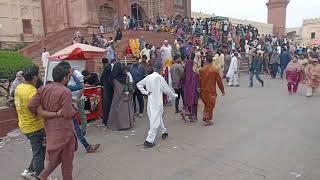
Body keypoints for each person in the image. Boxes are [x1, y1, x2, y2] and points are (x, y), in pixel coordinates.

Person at [28, 65, 77, 180]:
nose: (69, 78)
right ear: (65, 78)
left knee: (57, 158)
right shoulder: (66, 92)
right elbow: (66, 113)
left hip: (50, 129)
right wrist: (74, 108)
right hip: (65, 131)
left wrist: (42, 112)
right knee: (67, 162)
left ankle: (42, 176)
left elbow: (31, 105)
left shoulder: (43, 89)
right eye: (69, 76)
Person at [137, 63, 178, 148]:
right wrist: (174, 95)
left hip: (150, 101)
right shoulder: (159, 78)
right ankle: (149, 140)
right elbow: (166, 90)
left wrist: (145, 92)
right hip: (157, 102)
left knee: (157, 118)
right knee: (155, 121)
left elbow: (139, 84)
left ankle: (164, 131)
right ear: (160, 70)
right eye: (162, 70)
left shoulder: (149, 77)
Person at [15, 66, 45, 179]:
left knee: (39, 150)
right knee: (39, 154)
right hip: (35, 127)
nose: (40, 76)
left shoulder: (20, 87)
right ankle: (42, 176)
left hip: (25, 125)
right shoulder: (32, 92)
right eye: (38, 74)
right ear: (34, 77)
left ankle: (29, 171)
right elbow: (39, 111)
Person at [199, 55, 225, 126]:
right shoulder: (215, 70)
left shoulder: (201, 70)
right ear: (212, 61)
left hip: (203, 91)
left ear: (205, 60)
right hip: (211, 92)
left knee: (206, 105)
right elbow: (219, 81)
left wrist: (198, 89)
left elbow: (199, 80)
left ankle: (205, 116)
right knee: (210, 106)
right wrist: (222, 90)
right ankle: (208, 119)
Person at [107, 62, 134, 130]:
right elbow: (126, 87)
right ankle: (125, 125)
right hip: (124, 95)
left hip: (116, 96)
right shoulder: (126, 76)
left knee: (116, 111)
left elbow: (111, 86)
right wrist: (127, 95)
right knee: (124, 111)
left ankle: (116, 125)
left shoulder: (112, 77)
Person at [181, 50, 199, 122]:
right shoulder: (194, 65)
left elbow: (184, 75)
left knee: (188, 100)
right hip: (193, 86)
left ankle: (185, 111)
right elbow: (197, 75)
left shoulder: (187, 64)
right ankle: (192, 116)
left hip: (187, 86)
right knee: (194, 101)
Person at [100, 59, 114, 126]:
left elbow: (101, 80)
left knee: (106, 106)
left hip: (105, 91)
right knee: (109, 106)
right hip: (110, 92)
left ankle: (105, 121)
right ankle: (109, 121)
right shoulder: (110, 75)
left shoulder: (104, 73)